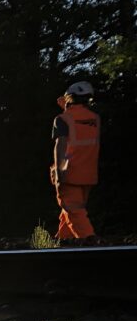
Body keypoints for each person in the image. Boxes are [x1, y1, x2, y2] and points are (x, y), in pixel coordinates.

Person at [50, 81, 100, 243]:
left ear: (69, 98)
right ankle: (63, 241)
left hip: (69, 172)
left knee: (73, 209)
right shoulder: (94, 119)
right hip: (89, 174)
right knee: (71, 210)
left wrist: (59, 170)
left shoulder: (62, 119)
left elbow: (61, 145)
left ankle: (89, 239)